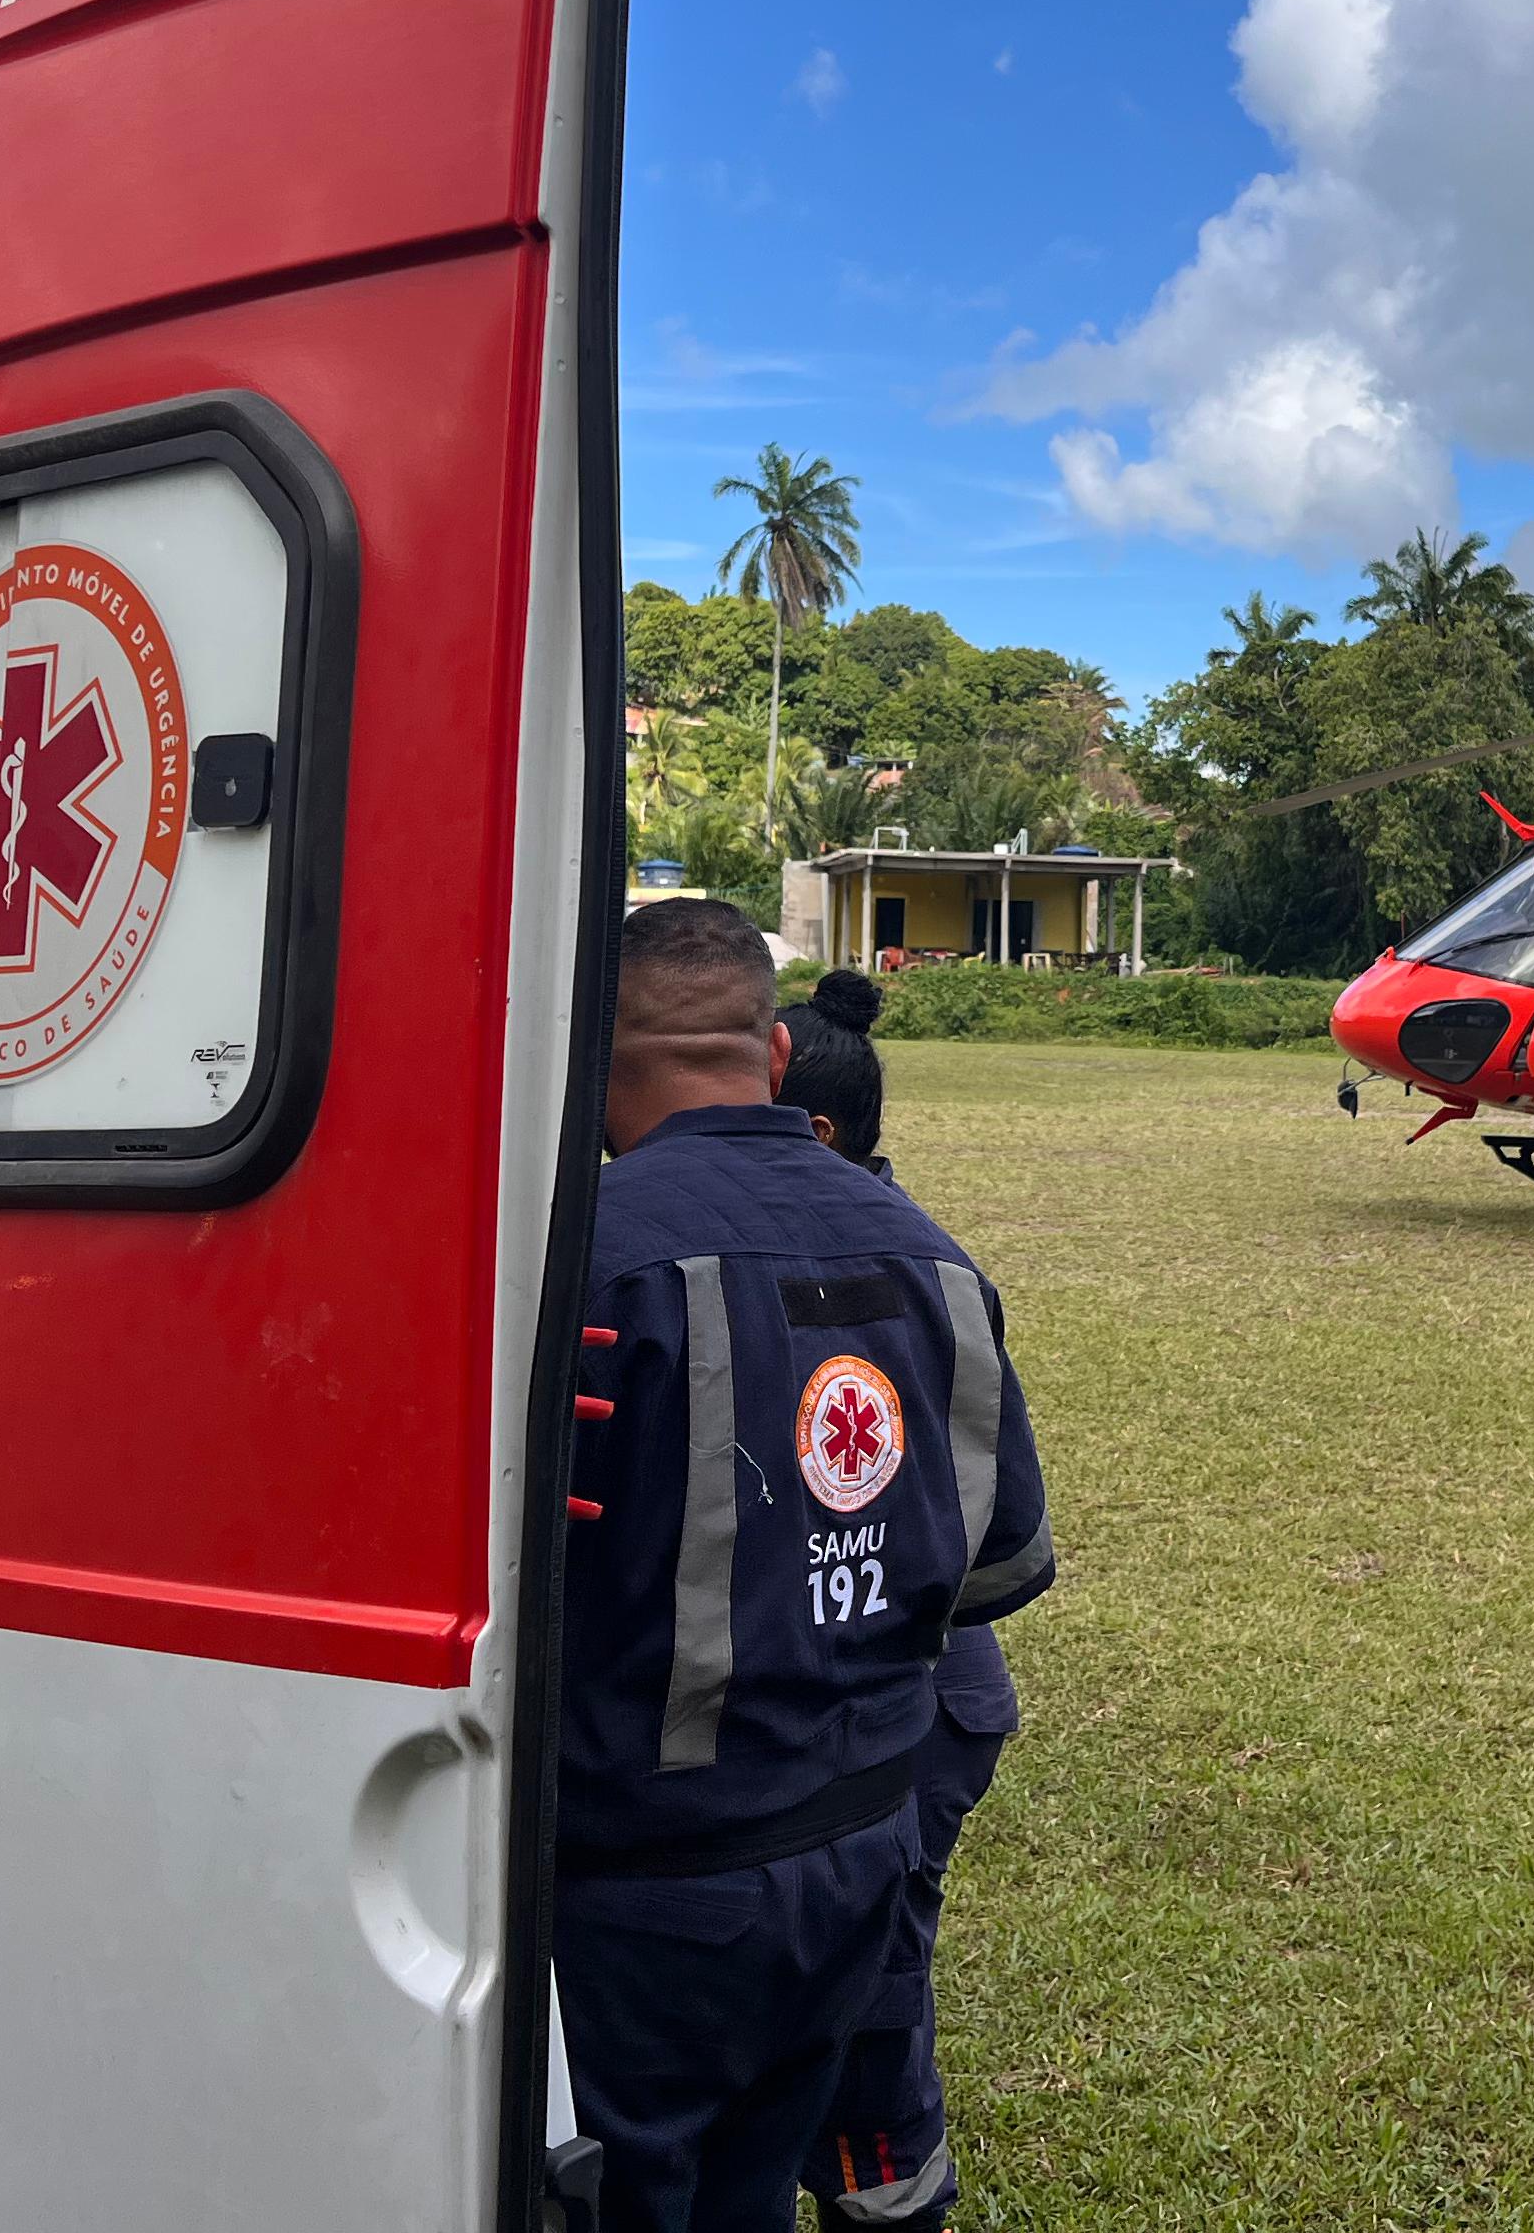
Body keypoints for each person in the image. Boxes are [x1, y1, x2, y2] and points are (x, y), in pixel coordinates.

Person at [559, 903, 1056, 2233]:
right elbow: (997, 1562)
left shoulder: (579, 1263)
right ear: (775, 1053)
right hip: (863, 1856)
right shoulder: (933, 1254)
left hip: (645, 1893)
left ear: (588, 1050)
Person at [781, 973, 1017, 2231]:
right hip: (910, 1697)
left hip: (909, 1708)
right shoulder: (905, 1247)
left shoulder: (875, 1268)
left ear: (811, 1129)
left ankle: (889, 2187)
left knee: (869, 1985)